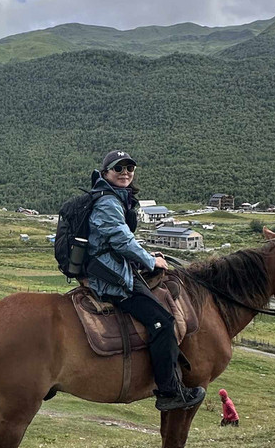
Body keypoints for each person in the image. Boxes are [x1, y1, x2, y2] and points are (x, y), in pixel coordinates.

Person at [85, 150, 206, 411]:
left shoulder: (114, 197)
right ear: (105, 173)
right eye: (118, 168)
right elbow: (121, 240)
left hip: (112, 266)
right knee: (162, 321)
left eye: (130, 168)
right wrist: (150, 262)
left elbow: (120, 241)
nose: (125, 173)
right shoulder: (108, 202)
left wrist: (146, 257)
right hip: (110, 276)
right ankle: (169, 391)